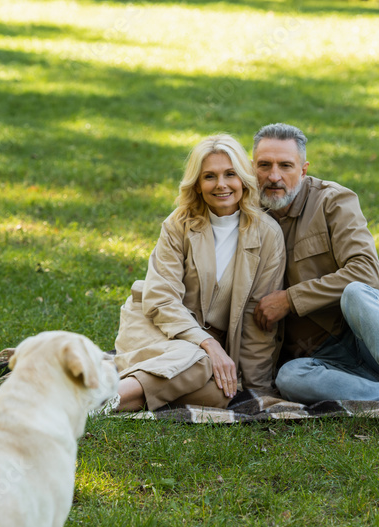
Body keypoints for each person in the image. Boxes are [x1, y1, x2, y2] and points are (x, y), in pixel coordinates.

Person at [250, 122, 379, 433]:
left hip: (377, 327)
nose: (274, 176)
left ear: (304, 169)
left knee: (355, 291)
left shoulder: (333, 201)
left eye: (285, 165)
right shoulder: (246, 214)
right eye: (264, 165)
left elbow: (366, 271)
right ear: (251, 167)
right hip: (327, 355)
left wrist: (290, 299)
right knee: (288, 378)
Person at [115, 134, 286, 412]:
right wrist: (208, 344)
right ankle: (96, 400)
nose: (221, 184)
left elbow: (258, 319)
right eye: (209, 176)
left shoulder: (267, 235)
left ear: (243, 178)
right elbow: (160, 299)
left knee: (220, 395)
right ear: (197, 184)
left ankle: (106, 391)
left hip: (205, 349)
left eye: (230, 174)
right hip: (156, 326)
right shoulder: (178, 224)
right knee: (198, 362)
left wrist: (256, 388)